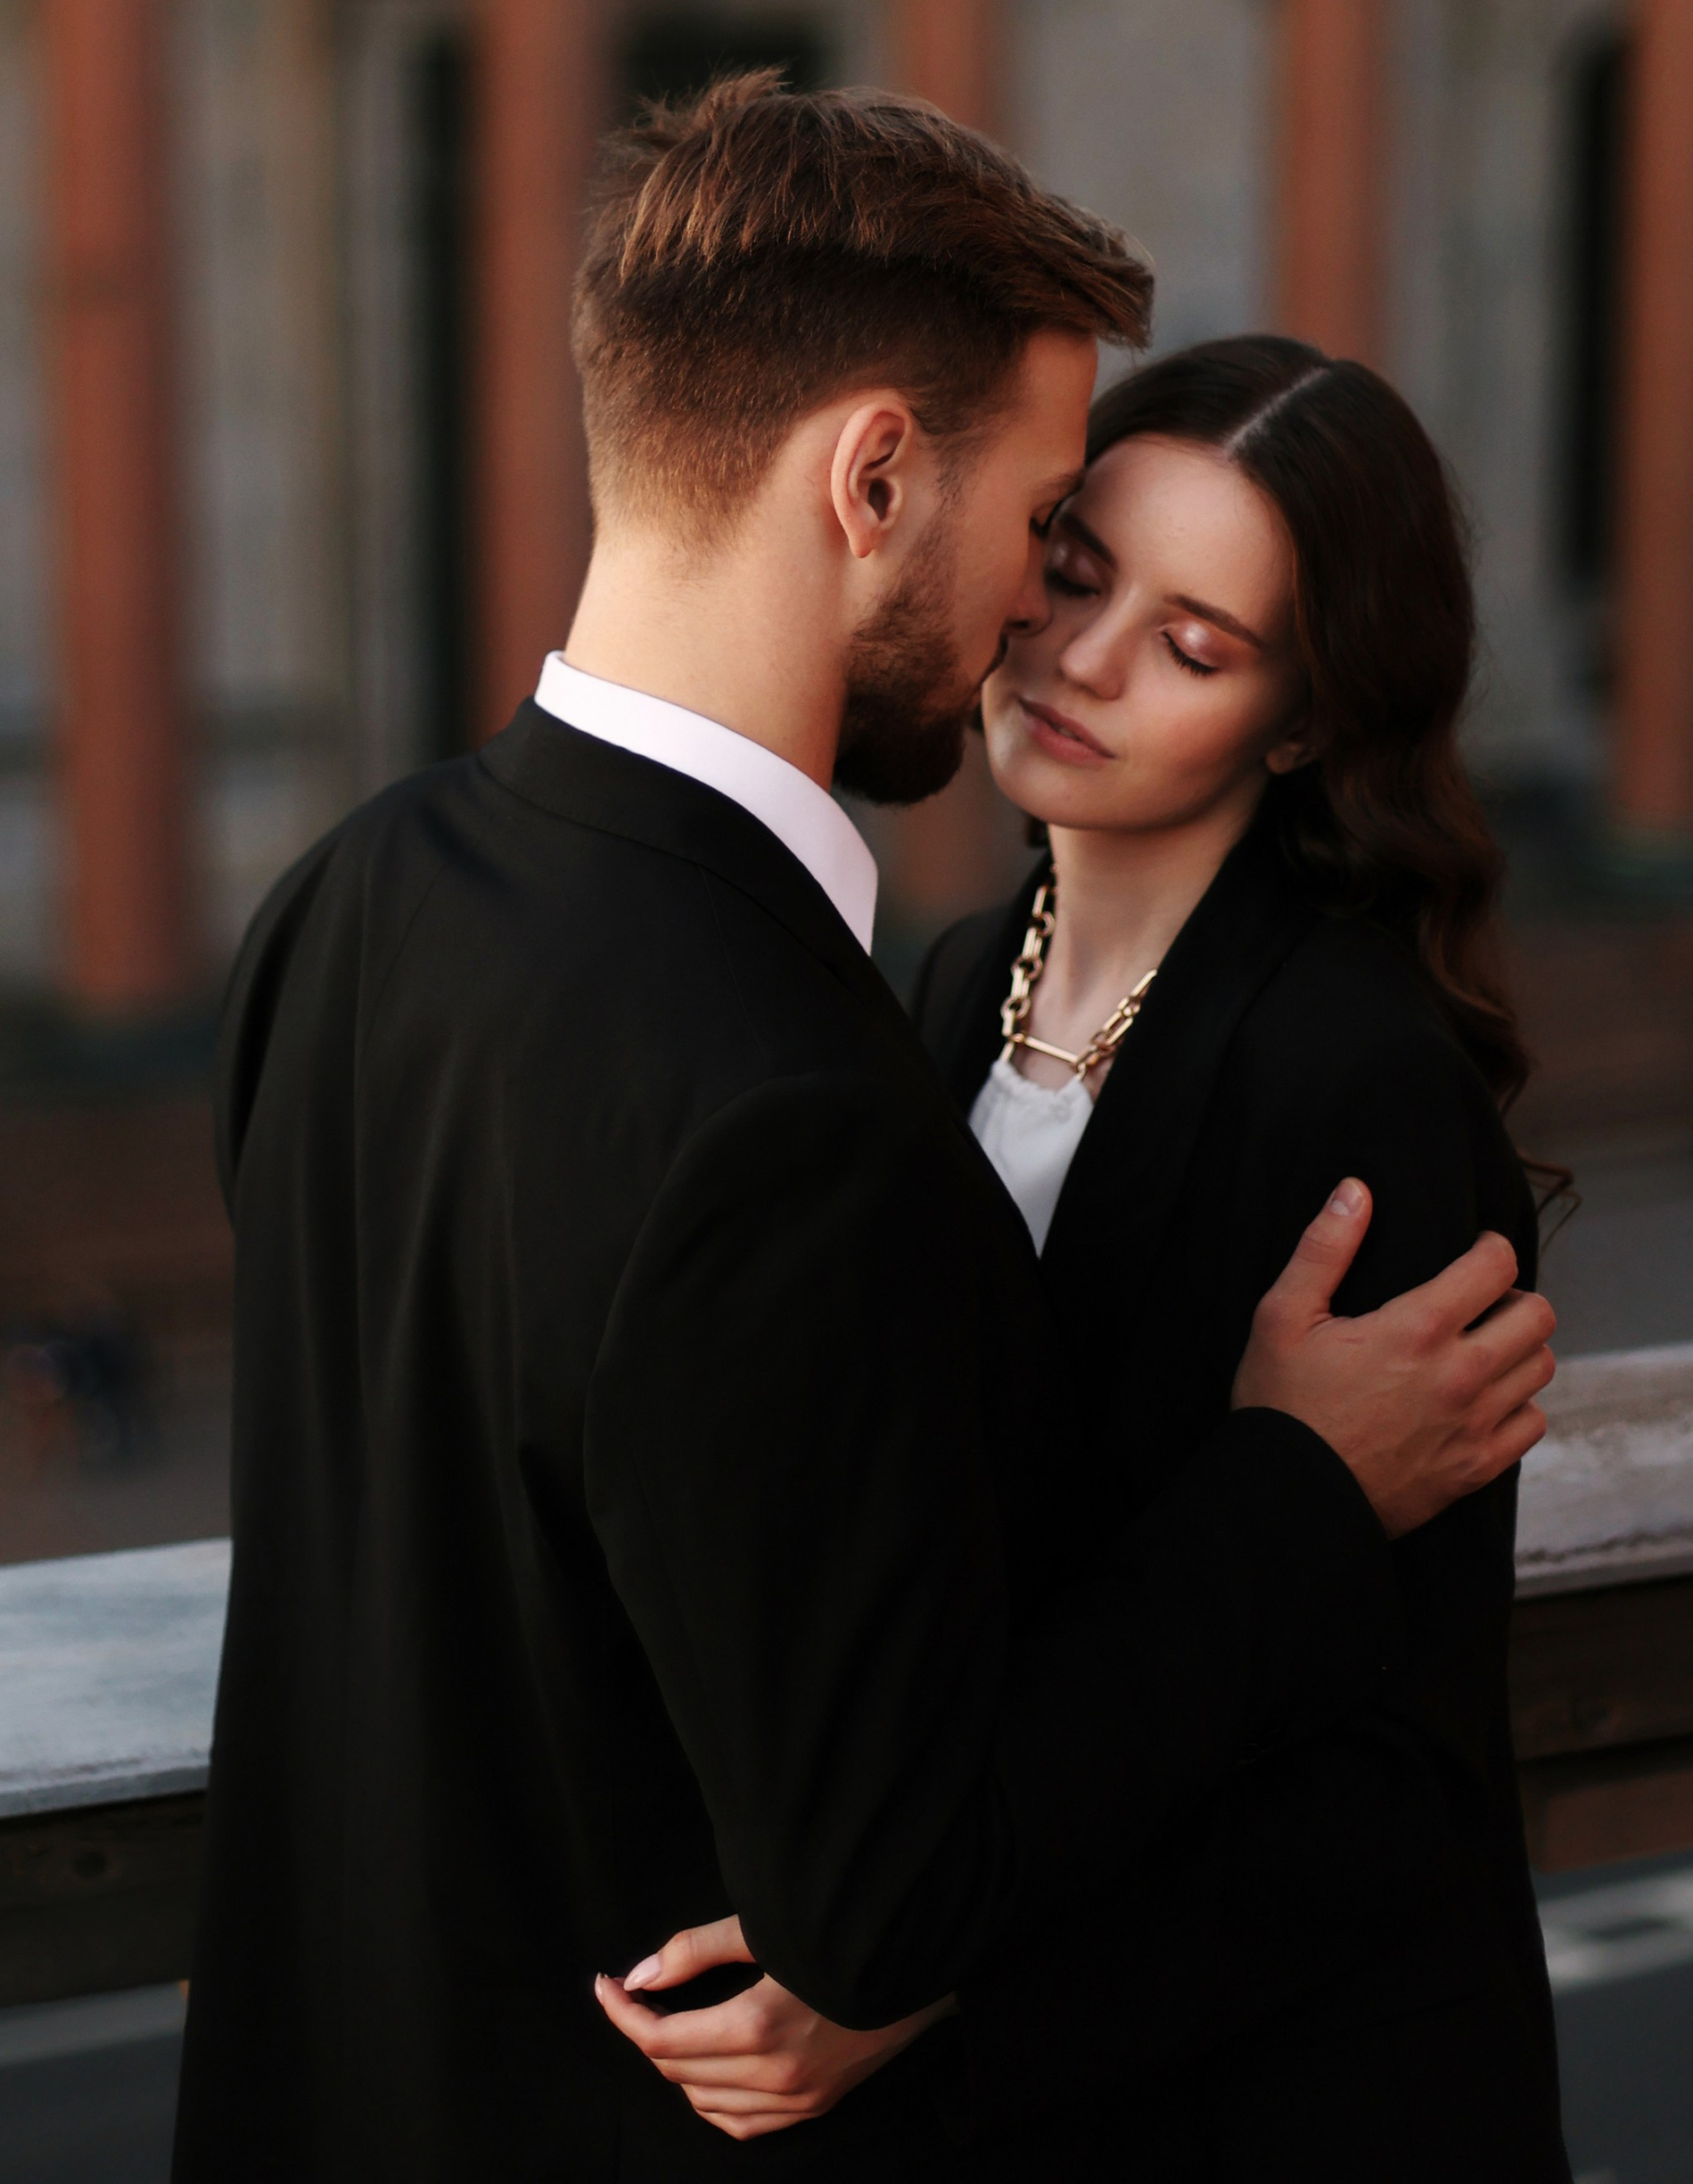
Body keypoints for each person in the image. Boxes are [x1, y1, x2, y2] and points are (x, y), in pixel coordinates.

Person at [172, 86, 1557, 2183]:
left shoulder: (348, 896)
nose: (1041, 630)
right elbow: (870, 1860)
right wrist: (1287, 1486)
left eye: (1186, 642)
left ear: (1297, 715)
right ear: (875, 476)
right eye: (1049, 539)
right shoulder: (814, 1073)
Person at [612, 334, 1566, 2178]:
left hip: (1288, 2115)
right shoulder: (954, 980)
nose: (1083, 659)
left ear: (1299, 725)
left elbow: (1391, 1781)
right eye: (1070, 571)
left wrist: (932, 1989)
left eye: (1193, 645)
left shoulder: (1357, 1083)